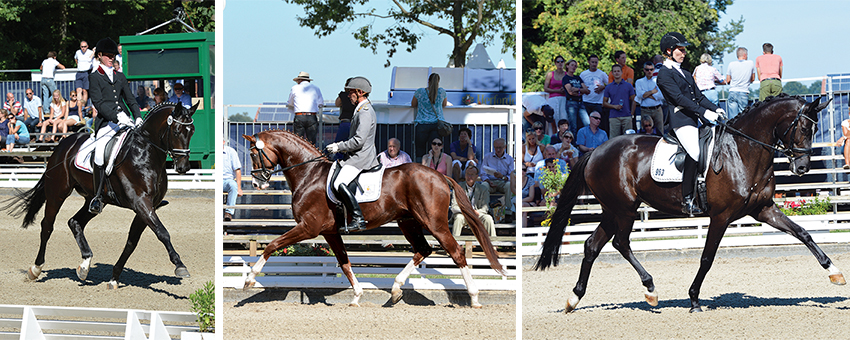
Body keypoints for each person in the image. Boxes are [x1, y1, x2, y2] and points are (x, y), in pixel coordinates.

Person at [656, 32, 722, 215]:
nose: (684, 53)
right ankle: (687, 200)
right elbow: (678, 98)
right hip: (681, 120)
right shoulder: (663, 74)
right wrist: (704, 112)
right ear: (669, 51)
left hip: (694, 119)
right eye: (680, 50)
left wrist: (716, 109)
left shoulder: (685, 73)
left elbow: (699, 97)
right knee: (695, 152)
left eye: (684, 50)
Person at [88, 37, 143, 215]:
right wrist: (116, 116)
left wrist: (137, 117)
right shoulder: (94, 77)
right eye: (109, 55)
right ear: (100, 56)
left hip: (125, 121)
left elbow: (130, 99)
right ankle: (97, 197)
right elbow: (99, 103)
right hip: (107, 124)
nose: (112, 58)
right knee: (99, 152)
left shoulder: (120, 76)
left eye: (114, 55)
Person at [325, 76, 376, 232]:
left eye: (351, 93)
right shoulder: (360, 109)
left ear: (360, 92)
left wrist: (339, 147)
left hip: (361, 158)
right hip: (355, 156)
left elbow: (359, 141)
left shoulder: (365, 112)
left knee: (338, 183)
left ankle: (358, 218)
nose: (348, 96)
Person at [451, 165, 496, 237]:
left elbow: (485, 208)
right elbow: (454, 207)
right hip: (463, 214)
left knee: (488, 218)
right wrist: (466, 211)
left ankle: (493, 245)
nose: (469, 176)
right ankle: (455, 245)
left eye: (472, 174)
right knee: (459, 218)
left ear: (476, 176)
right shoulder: (458, 188)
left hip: (477, 214)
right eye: (467, 174)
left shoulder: (483, 189)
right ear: (465, 175)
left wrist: (476, 212)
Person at [411, 73, 447, 159]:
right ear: (438, 82)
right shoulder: (442, 92)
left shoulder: (420, 91)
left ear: (428, 81)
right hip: (437, 125)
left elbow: (413, 104)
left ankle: (421, 168)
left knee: (420, 149)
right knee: (435, 150)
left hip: (422, 124)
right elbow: (444, 104)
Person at [288, 71, 324, 146]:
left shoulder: (294, 88)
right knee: (311, 143)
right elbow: (321, 103)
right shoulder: (316, 88)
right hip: (312, 116)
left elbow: (290, 102)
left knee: (297, 142)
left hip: (299, 116)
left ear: (300, 80)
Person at [602, 64, 636, 138]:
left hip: (626, 116)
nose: (616, 73)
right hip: (614, 116)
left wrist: (631, 114)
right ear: (612, 73)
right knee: (614, 140)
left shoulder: (628, 85)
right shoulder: (608, 87)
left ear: (621, 72)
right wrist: (614, 106)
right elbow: (604, 103)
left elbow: (634, 100)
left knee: (628, 139)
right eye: (615, 71)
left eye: (618, 71)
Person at [634, 61, 665, 136]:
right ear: (644, 70)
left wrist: (646, 94)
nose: (649, 71)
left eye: (651, 69)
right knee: (645, 131)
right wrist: (652, 91)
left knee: (660, 131)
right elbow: (639, 95)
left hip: (657, 109)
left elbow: (661, 96)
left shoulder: (658, 81)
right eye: (647, 70)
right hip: (645, 109)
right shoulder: (639, 82)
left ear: (654, 69)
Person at [562, 59, 591, 136]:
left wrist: (577, 89)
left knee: (587, 123)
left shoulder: (578, 78)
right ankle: (572, 145)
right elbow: (570, 92)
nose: (574, 67)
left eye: (575, 66)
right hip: (571, 103)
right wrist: (581, 91)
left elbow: (587, 91)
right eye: (572, 65)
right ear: (567, 66)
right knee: (573, 125)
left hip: (580, 103)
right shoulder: (566, 78)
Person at [725, 47, 755, 119]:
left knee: (733, 118)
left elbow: (728, 80)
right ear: (744, 55)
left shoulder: (731, 64)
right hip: (743, 92)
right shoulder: (750, 63)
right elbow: (753, 78)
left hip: (732, 91)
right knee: (743, 117)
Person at [580, 54, 608, 129]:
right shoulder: (583, 74)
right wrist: (583, 90)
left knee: (598, 124)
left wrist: (603, 87)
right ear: (588, 62)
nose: (594, 64)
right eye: (592, 62)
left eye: (596, 62)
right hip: (586, 102)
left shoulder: (602, 74)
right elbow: (579, 87)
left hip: (598, 103)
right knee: (586, 124)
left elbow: (610, 85)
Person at [544, 56, 568, 135]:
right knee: (553, 119)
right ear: (555, 63)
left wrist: (565, 89)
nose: (560, 63)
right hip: (552, 99)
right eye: (558, 61)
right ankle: (553, 137)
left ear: (564, 63)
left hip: (564, 99)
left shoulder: (566, 74)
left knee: (563, 119)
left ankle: (564, 137)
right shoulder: (550, 74)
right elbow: (546, 88)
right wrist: (557, 90)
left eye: (562, 61)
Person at [333, 78, 356, 160]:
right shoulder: (358, 97)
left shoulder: (343, 95)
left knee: (339, 144)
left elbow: (337, 104)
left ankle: (337, 161)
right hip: (355, 123)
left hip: (345, 122)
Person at [74, 40, 94, 121]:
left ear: (87, 46)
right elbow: (76, 59)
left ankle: (83, 106)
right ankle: (80, 106)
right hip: (79, 72)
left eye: (84, 46)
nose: (83, 48)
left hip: (86, 72)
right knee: (78, 90)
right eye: (82, 47)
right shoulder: (78, 52)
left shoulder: (90, 52)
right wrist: (79, 65)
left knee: (85, 91)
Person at [223, 139, 243, 221]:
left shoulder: (231, 152)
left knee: (233, 185)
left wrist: (239, 188)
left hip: (227, 180)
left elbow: (237, 170)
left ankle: (229, 212)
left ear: (223, 142)